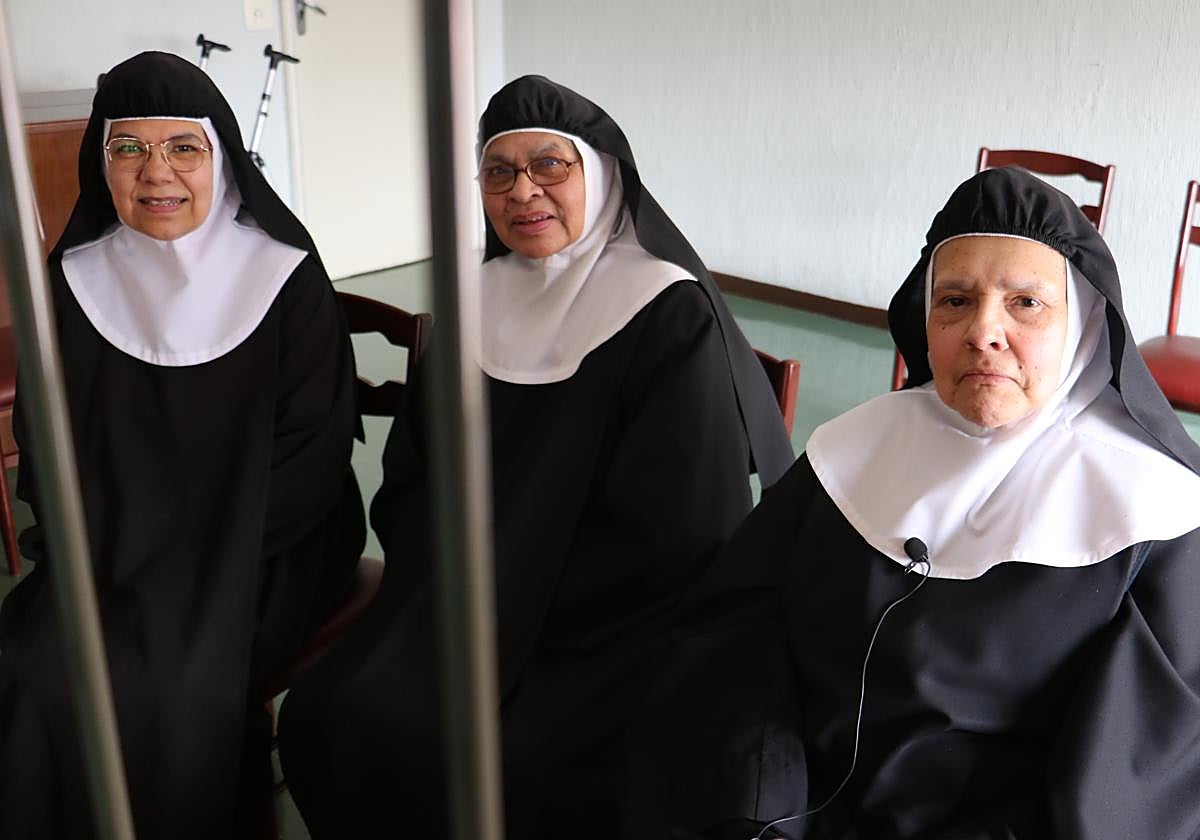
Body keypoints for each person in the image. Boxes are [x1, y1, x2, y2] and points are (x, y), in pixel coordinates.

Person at [277, 74, 795, 839]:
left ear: (602, 176)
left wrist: (534, 588)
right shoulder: (473, 300)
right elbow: (413, 472)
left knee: (527, 765)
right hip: (457, 598)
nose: (523, 191)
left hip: (607, 622)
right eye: (499, 172)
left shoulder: (666, 309)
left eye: (550, 165)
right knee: (330, 714)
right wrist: (451, 579)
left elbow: (684, 527)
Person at [623, 166, 1200, 840]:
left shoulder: (1157, 515)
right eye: (955, 300)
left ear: (1085, 325)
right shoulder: (853, 450)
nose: (983, 331)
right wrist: (760, 809)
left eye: (1025, 302)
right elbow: (733, 643)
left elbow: (1128, 793)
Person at [0, 52, 365, 839]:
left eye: (182, 147)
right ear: (102, 163)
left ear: (219, 157)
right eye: (128, 148)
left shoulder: (284, 276)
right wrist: (110, 545)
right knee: (33, 668)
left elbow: (314, 452)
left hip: (264, 547)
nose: (155, 171)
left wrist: (188, 557)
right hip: (113, 548)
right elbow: (45, 441)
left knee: (172, 677)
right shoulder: (72, 280)